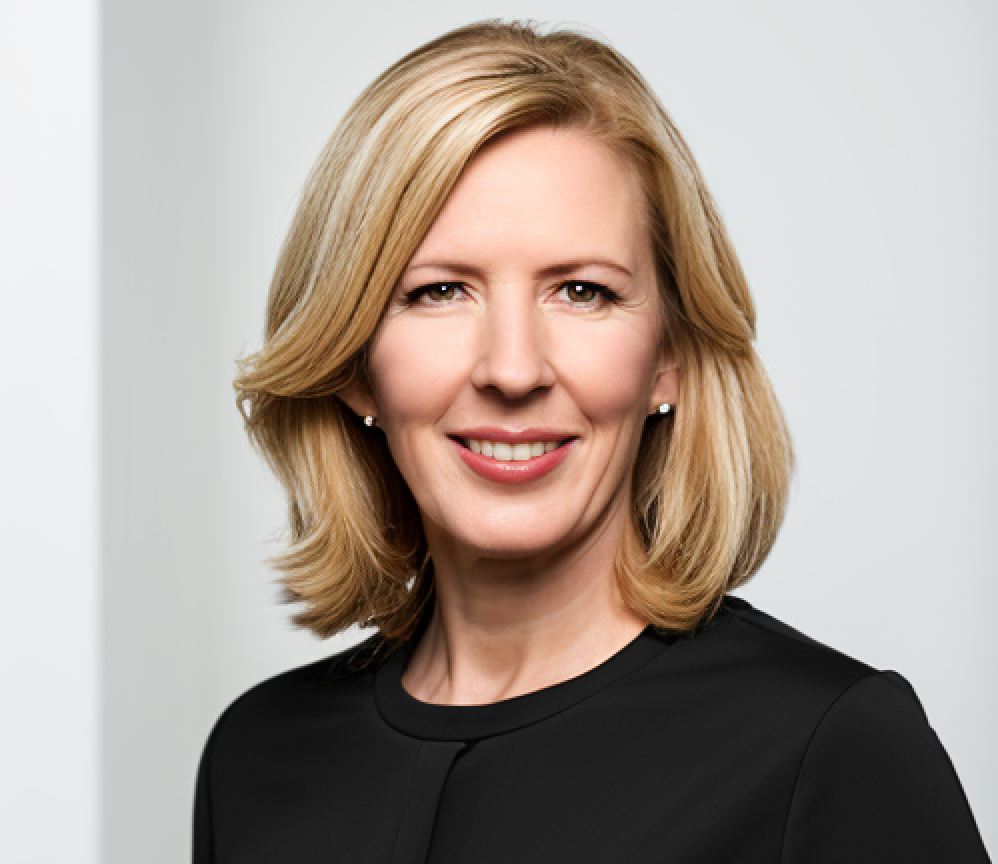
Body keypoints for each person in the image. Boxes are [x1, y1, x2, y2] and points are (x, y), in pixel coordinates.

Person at [193, 20, 990, 863]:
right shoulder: (256, 755)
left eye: (581, 292)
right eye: (439, 292)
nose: (512, 369)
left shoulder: (825, 746)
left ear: (669, 358)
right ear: (353, 363)